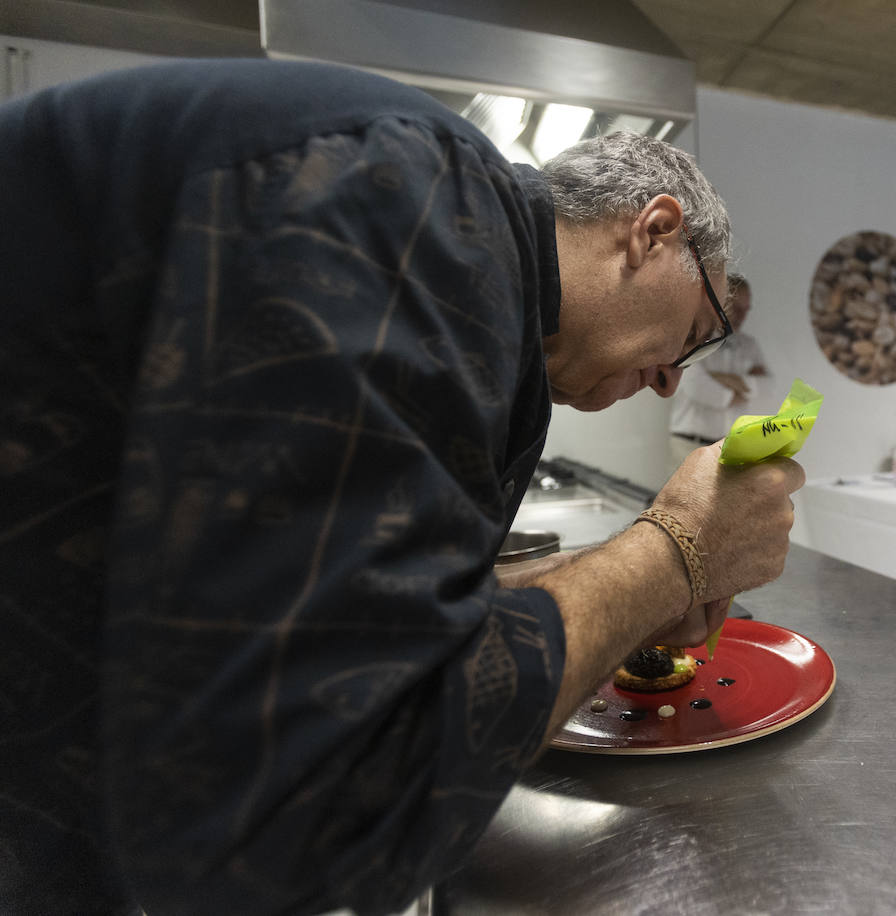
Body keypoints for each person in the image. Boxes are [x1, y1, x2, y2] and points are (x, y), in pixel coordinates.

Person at [0, 59, 804, 916]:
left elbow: (369, 612)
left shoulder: (468, 264)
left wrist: (630, 592)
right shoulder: (418, 204)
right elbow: (324, 793)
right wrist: (677, 552)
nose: (671, 382)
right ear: (653, 230)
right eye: (689, 336)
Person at [667, 273, 770, 472]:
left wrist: (722, 379)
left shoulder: (749, 345)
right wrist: (741, 390)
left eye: (746, 310)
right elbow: (696, 386)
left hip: (730, 448)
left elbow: (768, 387)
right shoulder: (693, 337)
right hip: (689, 445)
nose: (743, 316)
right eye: (737, 308)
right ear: (721, 300)